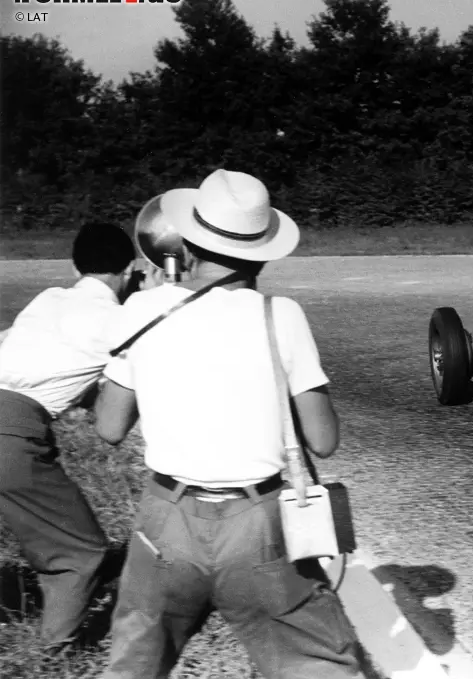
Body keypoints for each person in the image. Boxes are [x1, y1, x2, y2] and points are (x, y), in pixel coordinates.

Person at [94, 168, 364, 679]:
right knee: (320, 664)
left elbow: (109, 426)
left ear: (185, 244)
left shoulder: (140, 310)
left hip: (165, 522)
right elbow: (324, 441)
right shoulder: (280, 314)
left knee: (133, 665)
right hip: (257, 523)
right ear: (264, 252)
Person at [0, 222, 137, 653]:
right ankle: (55, 656)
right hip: (10, 431)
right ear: (131, 269)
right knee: (81, 552)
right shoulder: (118, 322)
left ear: (75, 265)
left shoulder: (49, 299)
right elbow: (111, 414)